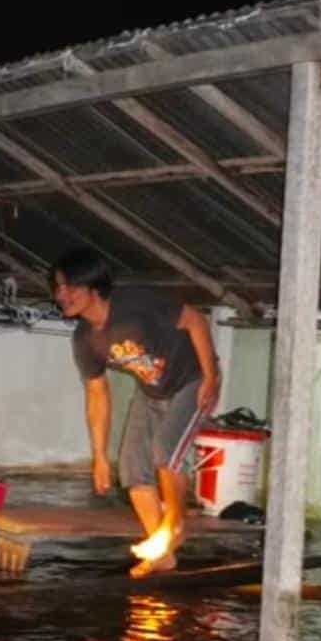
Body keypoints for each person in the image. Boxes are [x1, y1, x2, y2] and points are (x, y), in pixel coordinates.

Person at [50, 248, 221, 578]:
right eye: (58, 287)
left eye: (70, 286)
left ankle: (174, 526)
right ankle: (163, 555)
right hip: (152, 392)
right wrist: (100, 457)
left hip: (193, 381)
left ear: (93, 286)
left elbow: (195, 320)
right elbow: (97, 395)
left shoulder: (135, 303)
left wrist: (211, 377)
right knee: (132, 469)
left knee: (165, 450)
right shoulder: (84, 339)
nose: (62, 295)